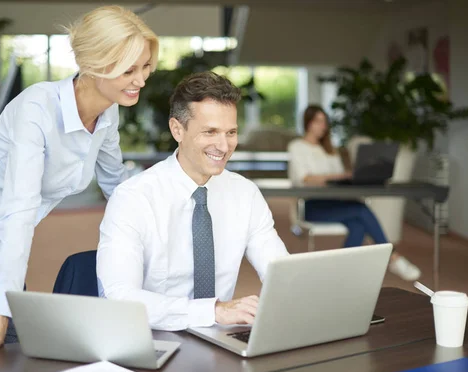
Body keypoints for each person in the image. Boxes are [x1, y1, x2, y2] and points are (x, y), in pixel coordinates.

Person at [0, 5, 159, 355]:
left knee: (12, 366)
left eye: (145, 66)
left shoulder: (107, 111)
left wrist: (157, 244)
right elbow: (19, 215)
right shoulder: (36, 110)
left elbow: (117, 184)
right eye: (129, 69)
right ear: (94, 64)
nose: (142, 80)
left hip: (0, 253)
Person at [97, 71, 289, 330]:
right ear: (177, 129)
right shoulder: (133, 198)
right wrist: (212, 311)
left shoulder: (245, 194)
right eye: (210, 132)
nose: (223, 146)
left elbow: (281, 272)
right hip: (153, 338)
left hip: (219, 339)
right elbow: (119, 297)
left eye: (231, 132)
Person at [287, 105, 421, 281]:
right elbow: (304, 178)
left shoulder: (329, 149)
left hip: (333, 201)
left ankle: (342, 273)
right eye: (318, 121)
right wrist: (338, 175)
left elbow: (339, 178)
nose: (323, 126)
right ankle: (393, 257)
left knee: (358, 225)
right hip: (311, 205)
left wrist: (350, 177)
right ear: (308, 122)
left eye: (325, 122)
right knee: (360, 210)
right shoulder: (297, 146)